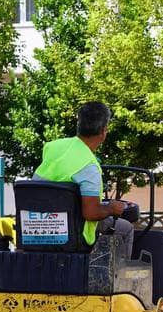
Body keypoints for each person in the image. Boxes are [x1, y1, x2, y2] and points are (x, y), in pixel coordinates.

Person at [33, 101, 134, 258]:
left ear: (79, 124)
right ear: (103, 131)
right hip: (71, 231)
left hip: (38, 224)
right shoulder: (88, 166)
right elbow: (91, 213)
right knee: (126, 228)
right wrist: (111, 208)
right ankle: (113, 278)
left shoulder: (53, 147)